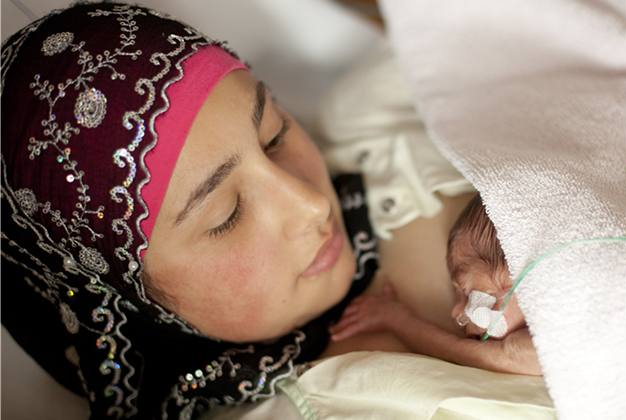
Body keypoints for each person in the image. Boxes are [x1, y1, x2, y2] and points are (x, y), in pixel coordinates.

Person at [1, 2, 476, 418]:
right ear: (131, 304)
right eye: (226, 215)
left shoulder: (383, 116)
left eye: (274, 137)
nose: (311, 205)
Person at [330, 194, 543, 375]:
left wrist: (396, 320)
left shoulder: (547, 344)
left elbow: (458, 350)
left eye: (468, 293)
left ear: (514, 270)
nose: (455, 312)